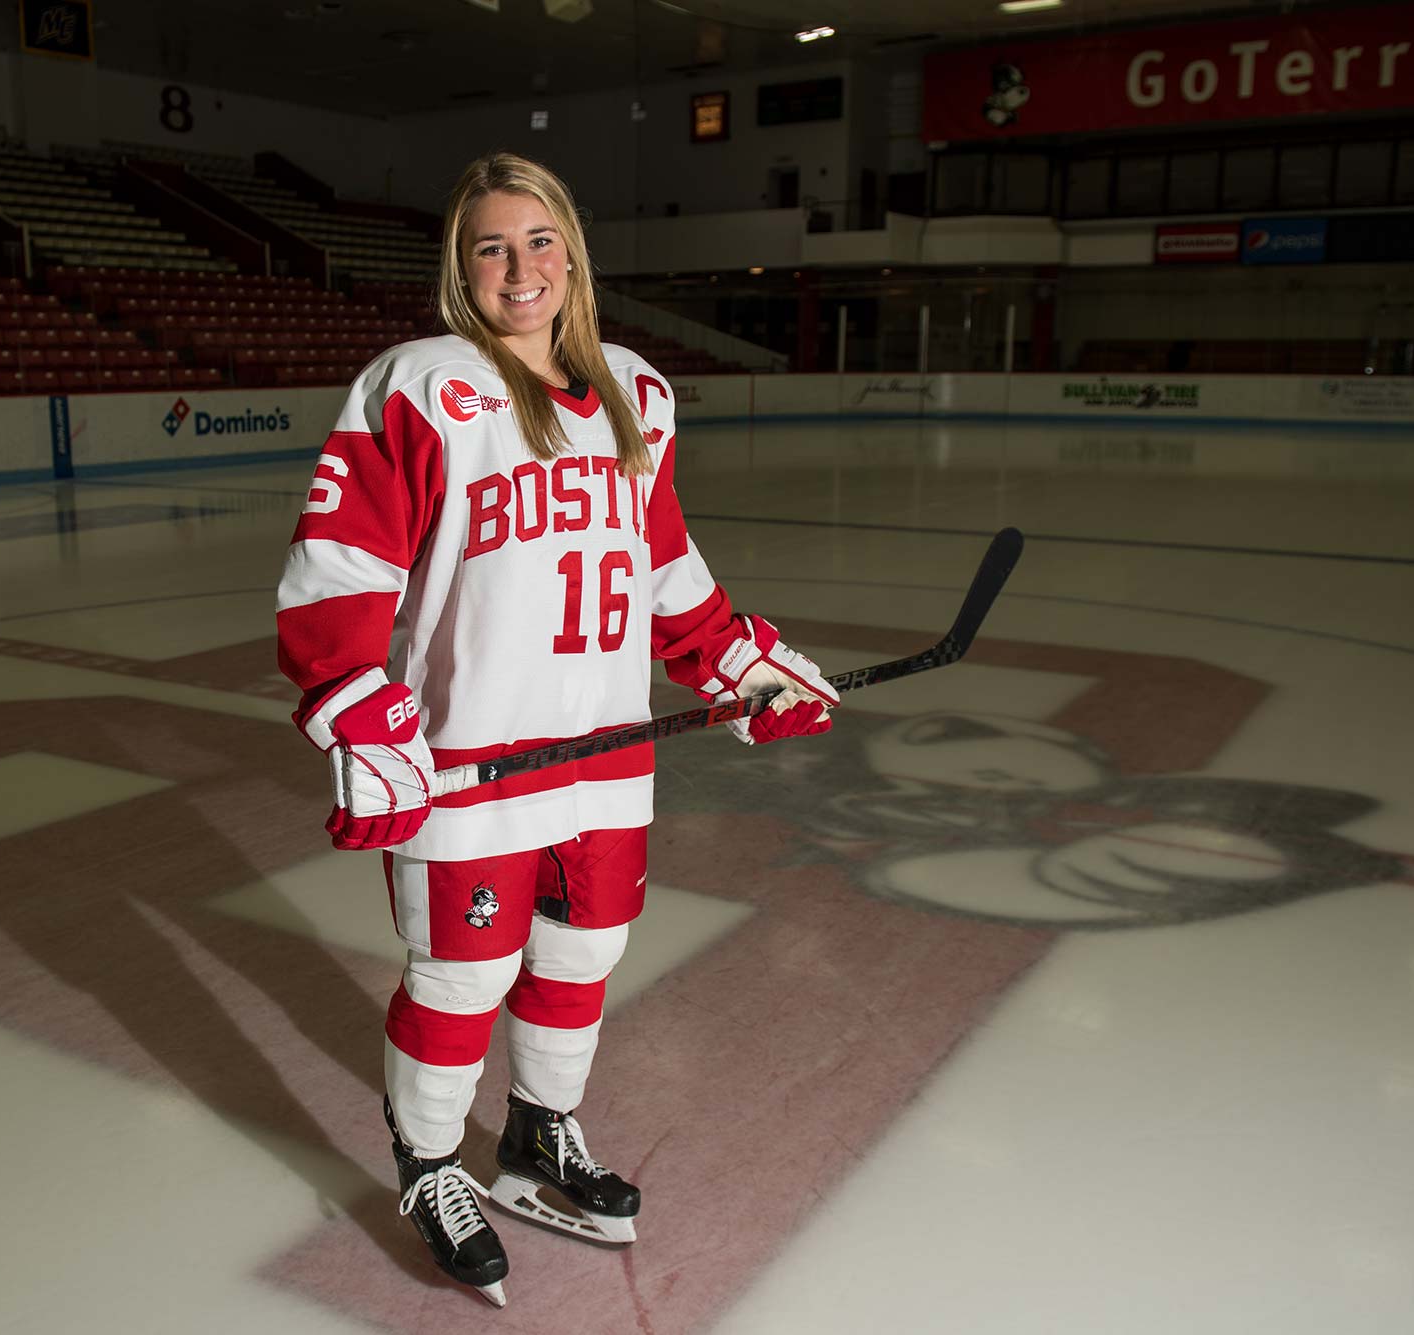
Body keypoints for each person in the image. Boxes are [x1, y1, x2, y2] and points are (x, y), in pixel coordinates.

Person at [275, 152, 840, 1307]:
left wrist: (735, 660)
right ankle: (428, 1163)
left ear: (571, 253)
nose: (518, 267)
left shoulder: (635, 389)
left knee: (582, 956)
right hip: (469, 760)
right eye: (490, 246)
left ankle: (537, 1133)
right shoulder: (419, 384)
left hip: (603, 755)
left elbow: (662, 561)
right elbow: (338, 566)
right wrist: (357, 710)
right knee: (460, 973)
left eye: (537, 241)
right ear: (460, 268)